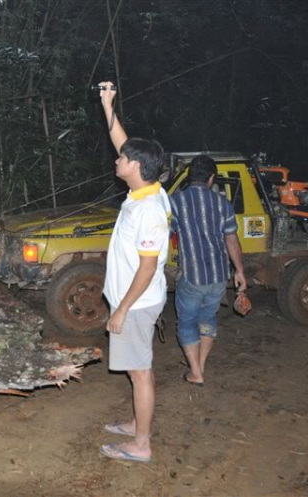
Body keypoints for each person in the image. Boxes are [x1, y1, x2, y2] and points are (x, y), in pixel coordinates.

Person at [97, 81, 171, 463]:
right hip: (136, 300)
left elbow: (146, 268)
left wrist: (122, 309)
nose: (117, 160)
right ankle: (136, 425)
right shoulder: (148, 189)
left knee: (139, 371)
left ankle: (141, 445)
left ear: (137, 167)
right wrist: (108, 105)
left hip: (137, 304)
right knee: (137, 368)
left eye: (123, 158)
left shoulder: (149, 210)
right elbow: (122, 143)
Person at [169, 154, 246, 386]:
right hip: (219, 276)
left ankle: (196, 371)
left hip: (192, 276)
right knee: (207, 317)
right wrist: (239, 272)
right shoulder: (223, 203)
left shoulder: (175, 201)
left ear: (190, 176)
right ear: (211, 178)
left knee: (187, 321)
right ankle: (199, 366)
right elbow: (232, 240)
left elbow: (163, 234)